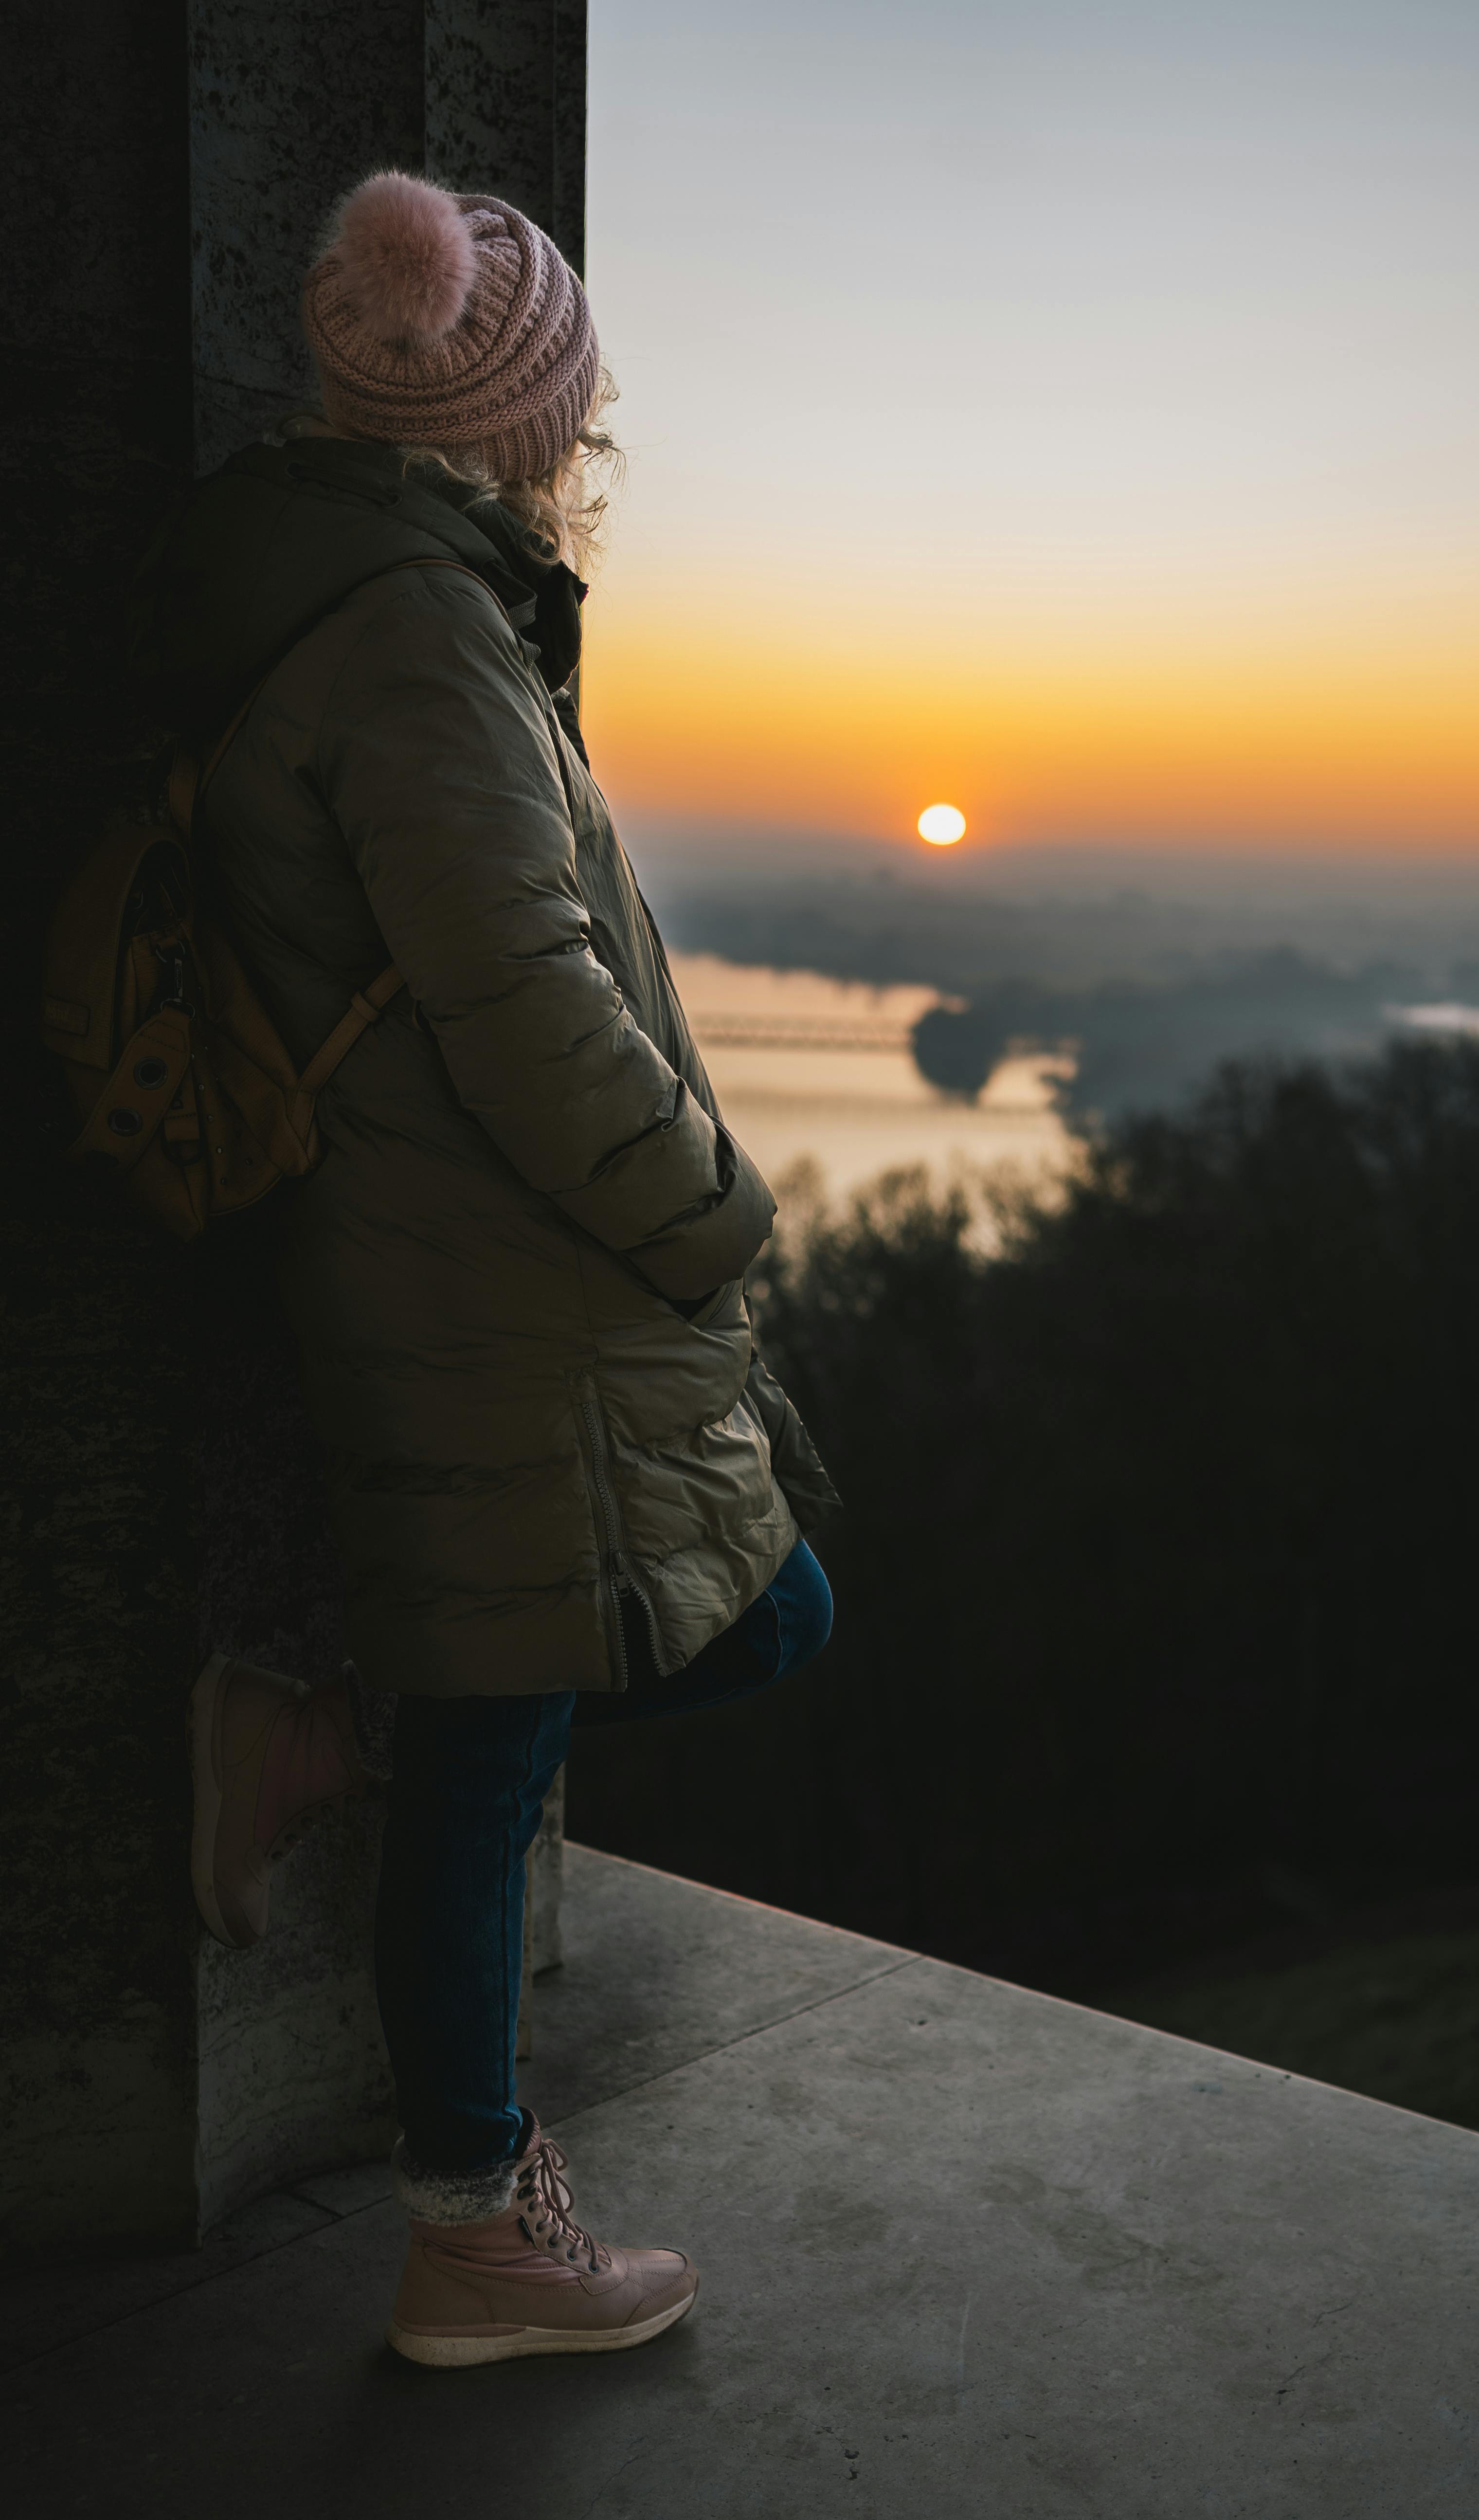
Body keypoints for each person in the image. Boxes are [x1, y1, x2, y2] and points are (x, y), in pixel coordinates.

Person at [131, 172, 839, 2369]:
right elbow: (526, 1000)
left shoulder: (375, 592)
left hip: (450, 1259)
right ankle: (477, 2231)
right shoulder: (419, 640)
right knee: (603, 1686)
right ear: (509, 416)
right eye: (582, 397)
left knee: (536, 1698)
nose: (597, 430)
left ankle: (316, 1742)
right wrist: (709, 1210)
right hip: (494, 1280)